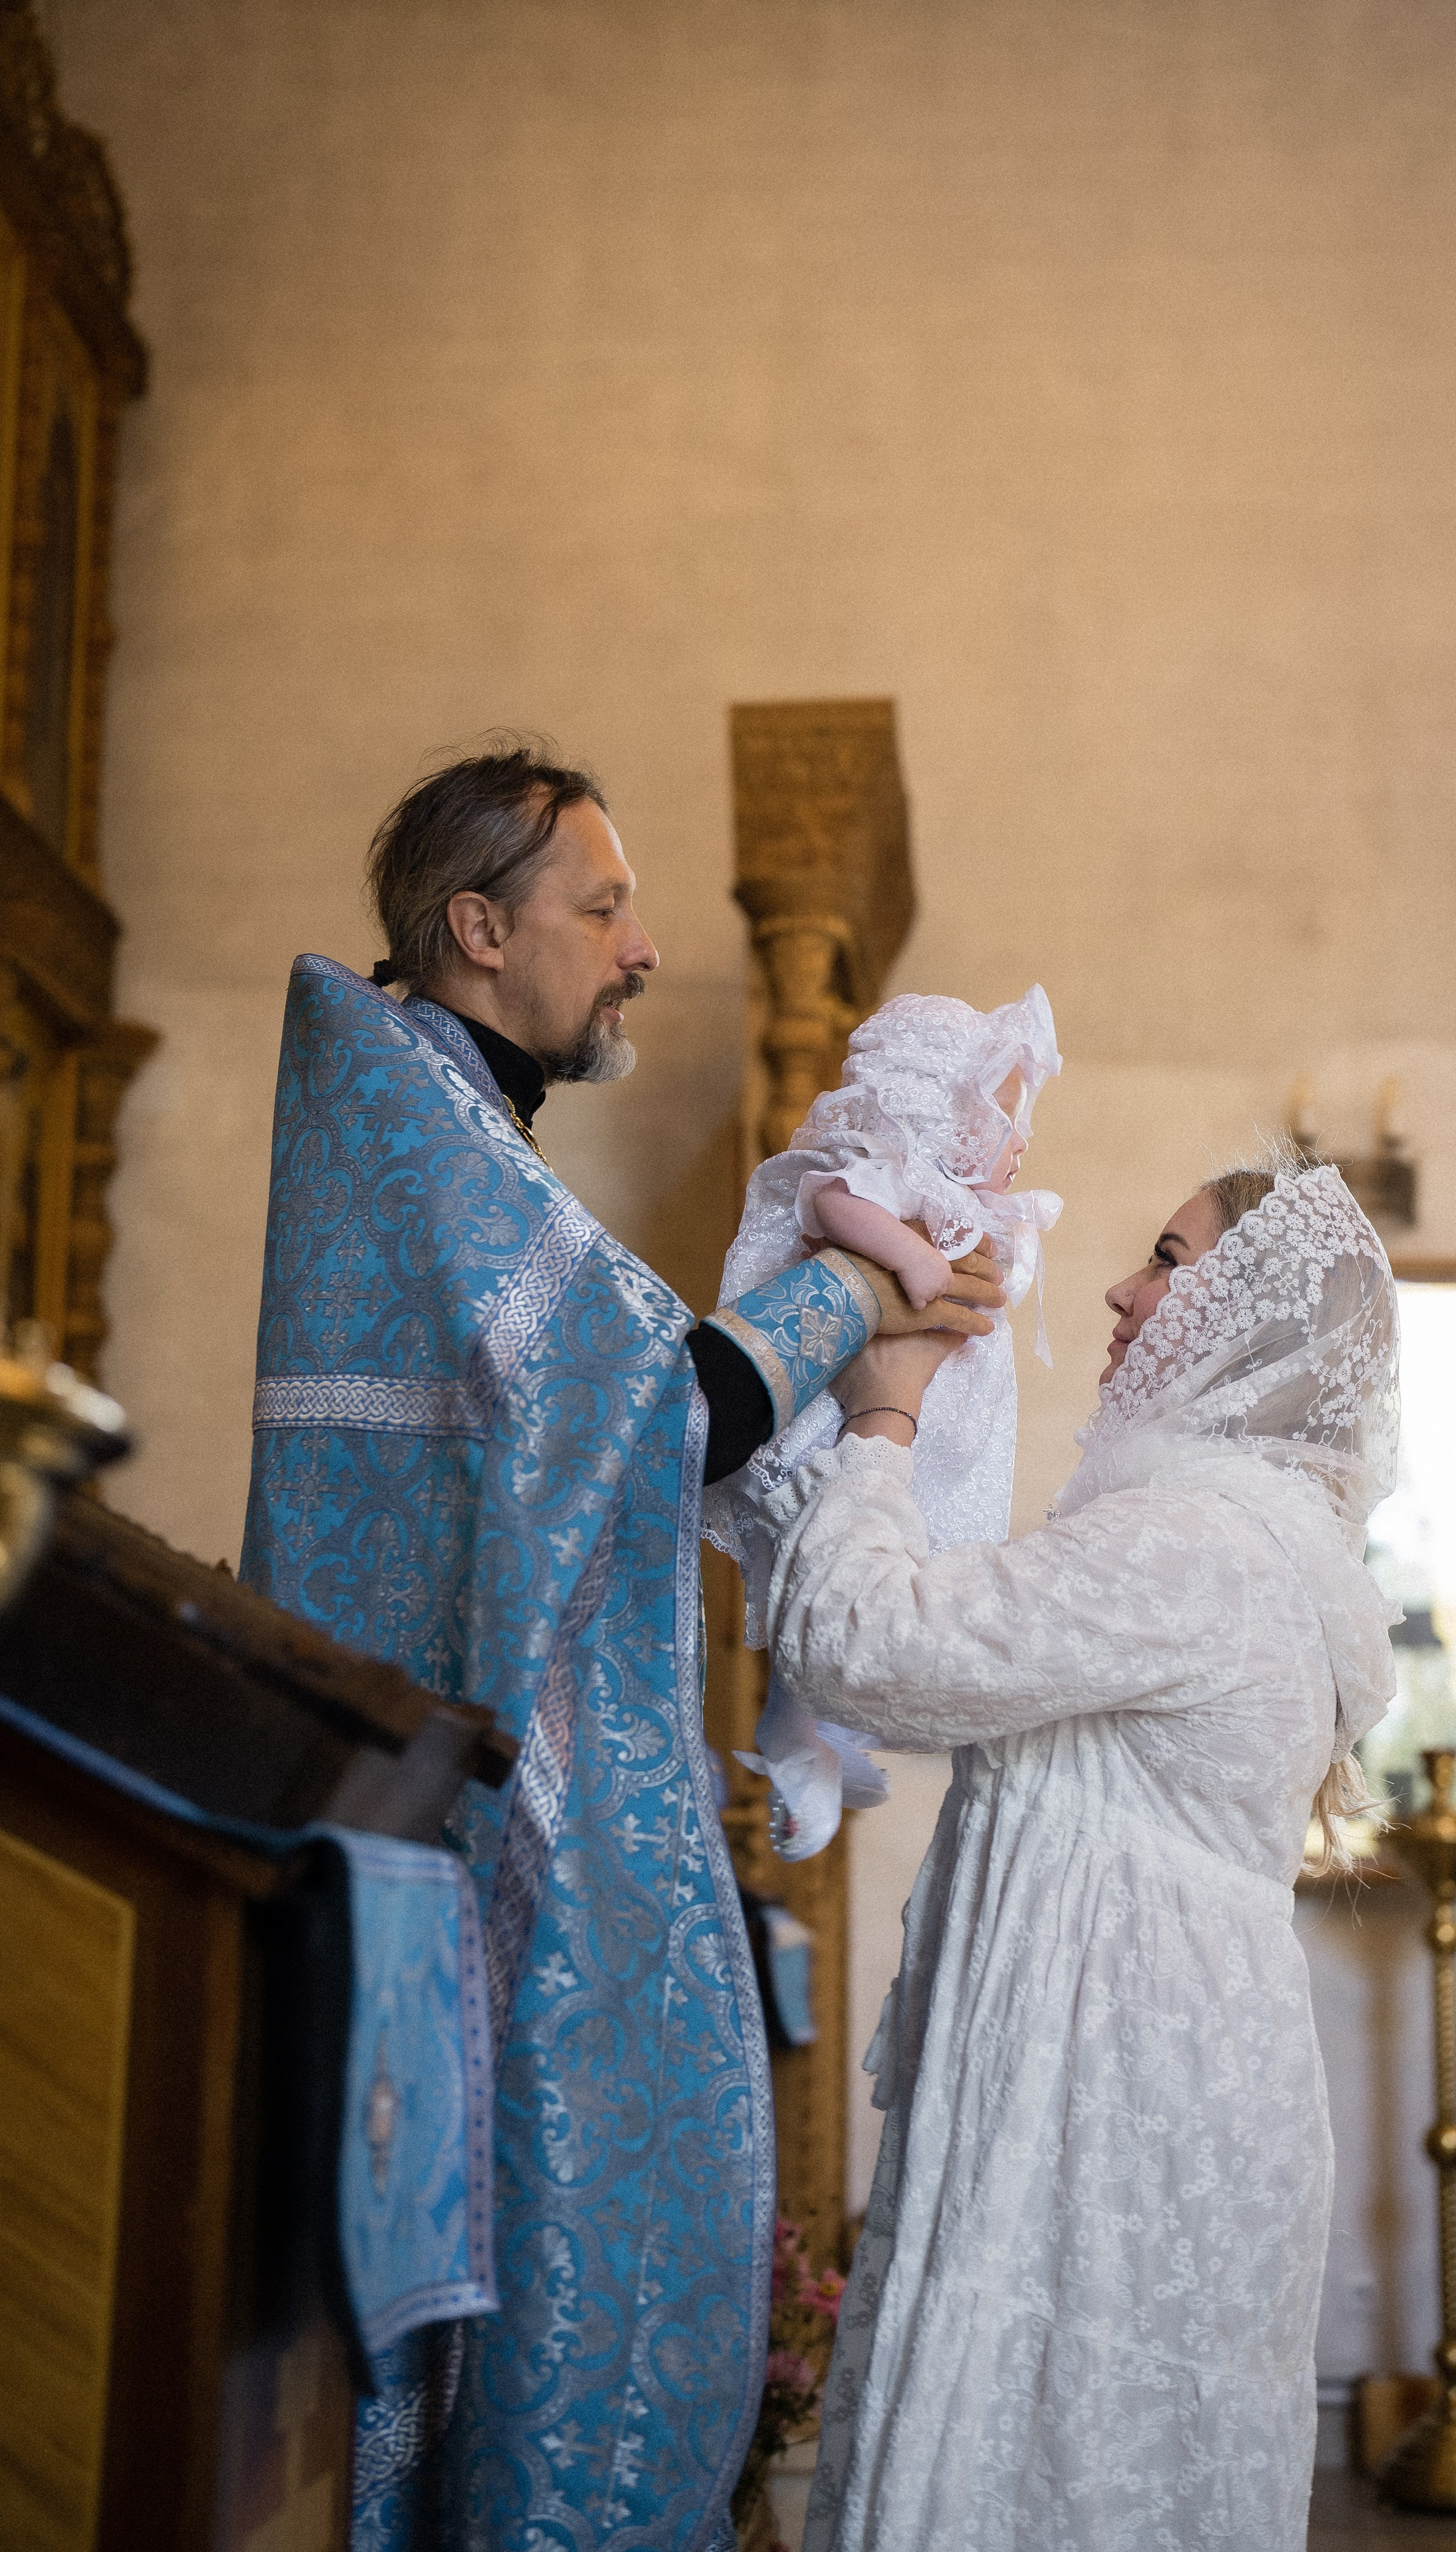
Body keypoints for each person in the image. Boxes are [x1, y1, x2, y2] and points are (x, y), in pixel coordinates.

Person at [237, 740, 1004, 2552]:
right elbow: (641, 1411)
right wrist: (858, 1298)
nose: (643, 946)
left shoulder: (429, 1126)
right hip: (454, 1843)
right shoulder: (415, 1133)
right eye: (604, 906)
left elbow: (598, 1404)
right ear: (479, 927)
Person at [754, 1156, 1400, 2552]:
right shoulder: (1253, 1546)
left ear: (1245, 1321)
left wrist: (881, 1417)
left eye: (1166, 1261)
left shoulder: (1191, 1546)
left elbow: (862, 1644)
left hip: (1111, 2082)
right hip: (1182, 2071)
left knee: (1045, 2454)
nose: (1122, 1287)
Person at [703, 986, 1062, 1859]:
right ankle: (796, 1737)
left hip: (931, 1436)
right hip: (840, 1421)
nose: (1022, 1140)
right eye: (1002, 1118)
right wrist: (910, 1257)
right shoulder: (893, 1176)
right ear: (935, 1112)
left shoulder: (966, 1204)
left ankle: (830, 1734)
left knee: (896, 1571)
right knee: (830, 1558)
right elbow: (829, 1201)